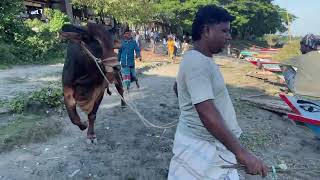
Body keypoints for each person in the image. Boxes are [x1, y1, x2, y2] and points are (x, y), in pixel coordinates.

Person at [169, 5, 267, 180]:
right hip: (202, 146)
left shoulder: (200, 59)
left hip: (209, 143)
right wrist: (242, 153)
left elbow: (177, 88)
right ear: (206, 30)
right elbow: (207, 112)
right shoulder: (197, 62)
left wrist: (188, 108)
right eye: (224, 31)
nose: (229, 36)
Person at [281, 34, 320, 99]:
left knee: (284, 65)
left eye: (301, 45)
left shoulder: (301, 58)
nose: (300, 48)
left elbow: (283, 63)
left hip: (303, 92)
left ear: (307, 46)